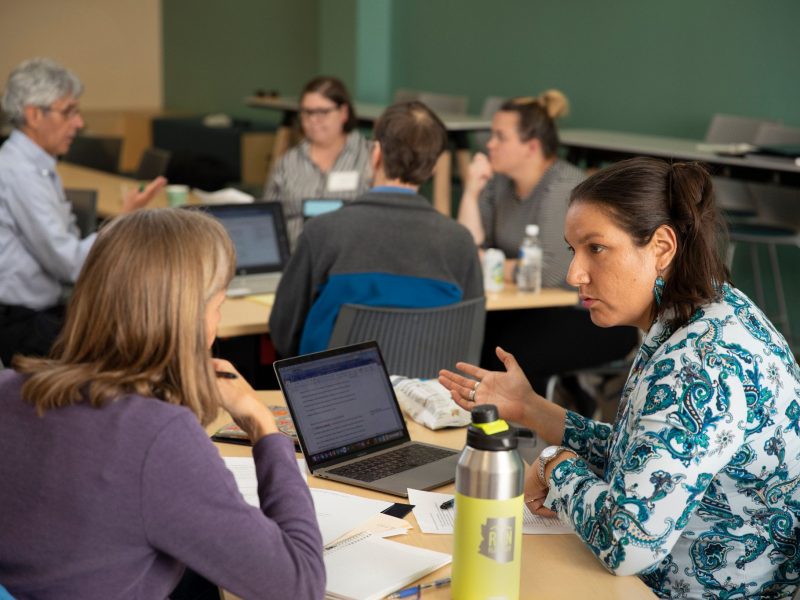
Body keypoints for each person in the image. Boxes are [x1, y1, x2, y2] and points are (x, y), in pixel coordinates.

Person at [440, 157, 800, 599]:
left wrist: (556, 465)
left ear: (662, 247)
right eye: (574, 250)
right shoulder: (712, 311)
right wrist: (533, 409)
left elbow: (629, 542)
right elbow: (647, 460)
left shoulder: (699, 362)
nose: (575, 274)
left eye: (596, 248)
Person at [0, 209, 325, 599]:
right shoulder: (158, 438)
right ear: (185, 317)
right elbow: (299, 586)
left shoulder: (9, 390)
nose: (216, 326)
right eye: (217, 305)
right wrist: (262, 425)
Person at [270, 101, 483, 358]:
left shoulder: (323, 232)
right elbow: (469, 335)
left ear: (376, 154)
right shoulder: (459, 241)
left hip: (333, 391)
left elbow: (283, 331)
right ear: (434, 166)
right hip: (428, 393)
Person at [0, 57, 166, 365]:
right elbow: (70, 264)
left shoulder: (36, 167)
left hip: (42, 315)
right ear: (34, 115)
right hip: (25, 326)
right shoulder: (19, 173)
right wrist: (123, 221)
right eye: (69, 112)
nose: (79, 123)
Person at [457, 89, 583, 286]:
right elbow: (467, 250)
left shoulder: (563, 187)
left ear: (532, 147)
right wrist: (471, 192)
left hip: (558, 308)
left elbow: (549, 272)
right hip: (516, 296)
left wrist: (486, 261)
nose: (490, 144)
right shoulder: (498, 179)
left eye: (501, 137)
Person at [264, 76, 372, 250]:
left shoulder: (370, 157)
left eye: (322, 112)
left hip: (352, 259)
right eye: (307, 112)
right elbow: (270, 219)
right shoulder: (287, 162)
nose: (313, 120)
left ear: (343, 113)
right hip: (296, 259)